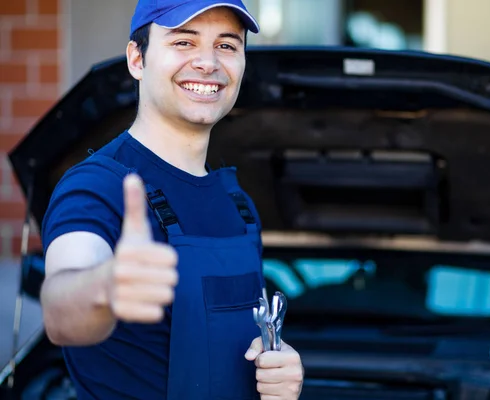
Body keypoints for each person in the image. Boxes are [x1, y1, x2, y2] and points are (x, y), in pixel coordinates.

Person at [39, 0, 304, 398]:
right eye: (184, 42)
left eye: (227, 46)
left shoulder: (239, 206)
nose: (207, 63)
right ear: (137, 59)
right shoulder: (98, 187)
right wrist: (106, 287)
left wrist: (278, 371)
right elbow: (62, 311)